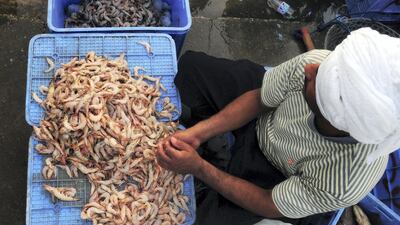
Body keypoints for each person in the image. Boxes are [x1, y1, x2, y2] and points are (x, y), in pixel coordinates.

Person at [155, 28, 400, 225]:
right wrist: (199, 134)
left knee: (197, 214)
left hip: (275, 177)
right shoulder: (318, 62)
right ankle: (213, 143)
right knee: (192, 69)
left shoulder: (345, 182)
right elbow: (260, 99)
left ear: (334, 118)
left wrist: (200, 168)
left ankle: (215, 160)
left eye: (319, 78)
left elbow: (268, 202)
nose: (310, 68)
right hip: (265, 116)